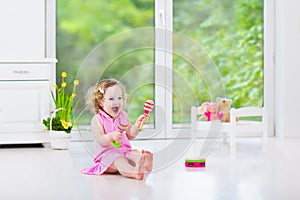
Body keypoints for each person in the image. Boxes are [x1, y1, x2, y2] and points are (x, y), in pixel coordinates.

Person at [81, 79, 153, 180]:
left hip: (124, 150)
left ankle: (146, 164)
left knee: (134, 155)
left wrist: (137, 125)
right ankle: (133, 172)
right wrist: (111, 136)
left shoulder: (123, 115)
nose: (116, 102)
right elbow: (100, 140)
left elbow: (130, 135)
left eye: (119, 98)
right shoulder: (97, 120)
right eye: (111, 99)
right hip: (107, 156)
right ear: (101, 102)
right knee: (120, 160)